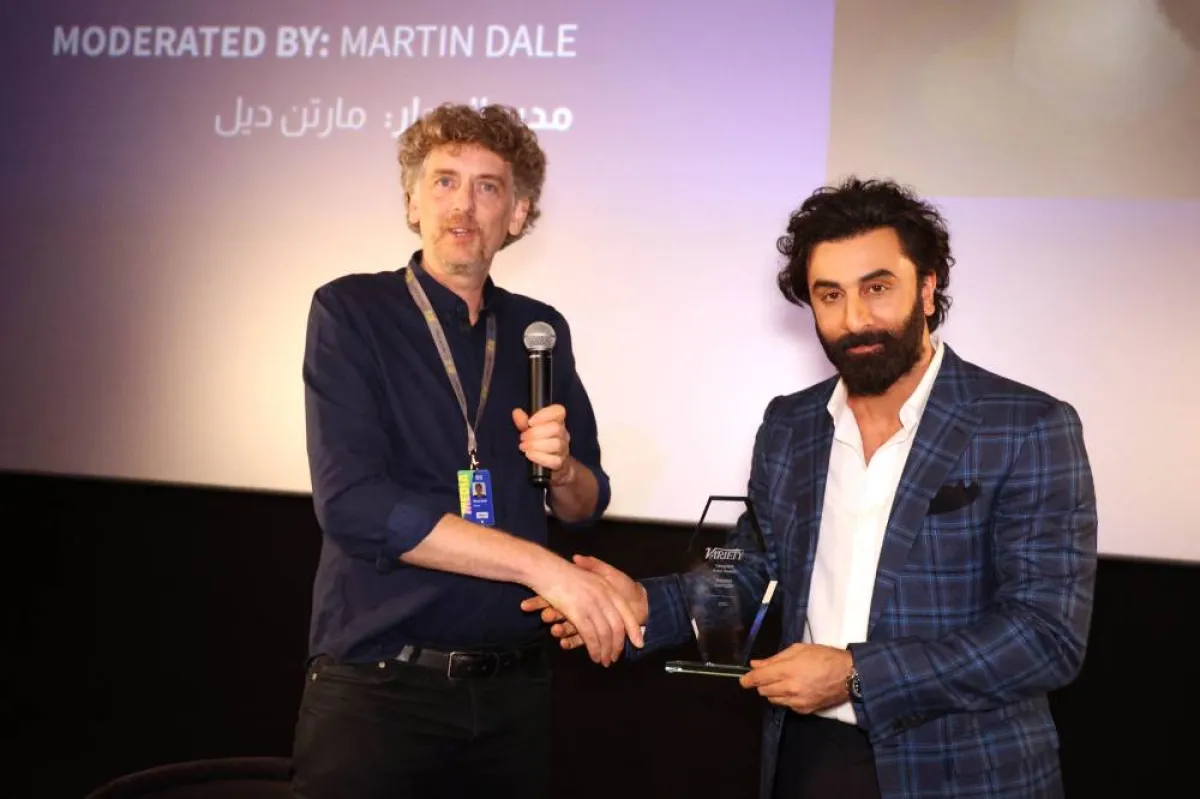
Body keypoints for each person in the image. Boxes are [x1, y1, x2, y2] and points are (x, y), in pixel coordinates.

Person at [524, 177, 1098, 798]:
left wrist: (857, 675)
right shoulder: (791, 424)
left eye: (877, 288)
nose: (855, 319)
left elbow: (1045, 637)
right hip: (809, 762)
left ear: (928, 288)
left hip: (966, 770)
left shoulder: (1025, 425)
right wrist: (642, 603)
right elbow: (751, 571)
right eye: (830, 296)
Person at [290, 102, 644, 799]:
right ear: (412, 201)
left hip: (513, 698)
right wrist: (545, 569)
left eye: (488, 186)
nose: (464, 204)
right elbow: (355, 506)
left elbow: (586, 503)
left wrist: (563, 467)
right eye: (445, 180)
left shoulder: (540, 329)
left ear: (517, 214)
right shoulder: (352, 312)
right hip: (382, 690)